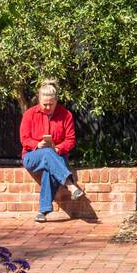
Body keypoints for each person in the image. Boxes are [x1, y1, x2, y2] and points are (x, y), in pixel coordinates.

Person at [19, 81, 83, 222]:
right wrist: (38, 144)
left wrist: (58, 148)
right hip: (32, 155)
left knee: (50, 165)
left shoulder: (66, 115)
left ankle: (43, 211)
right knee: (48, 154)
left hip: (57, 154)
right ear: (39, 100)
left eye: (51, 104)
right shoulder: (30, 114)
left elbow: (70, 140)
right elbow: (24, 139)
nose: (47, 107)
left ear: (56, 100)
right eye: (44, 104)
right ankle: (71, 186)